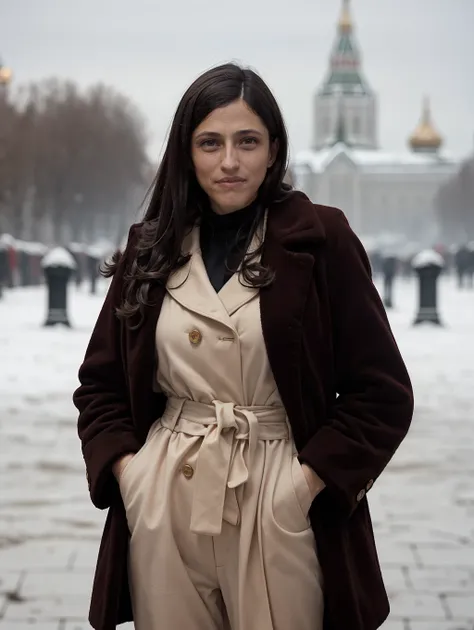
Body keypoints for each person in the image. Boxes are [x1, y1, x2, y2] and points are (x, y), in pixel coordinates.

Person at [73, 63, 414, 630]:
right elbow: (100, 384)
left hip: (278, 492)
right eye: (210, 142)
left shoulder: (322, 239)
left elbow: (382, 393)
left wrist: (304, 485)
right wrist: (133, 478)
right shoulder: (151, 246)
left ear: (273, 150)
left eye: (247, 141)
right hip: (166, 495)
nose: (229, 161)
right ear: (187, 152)